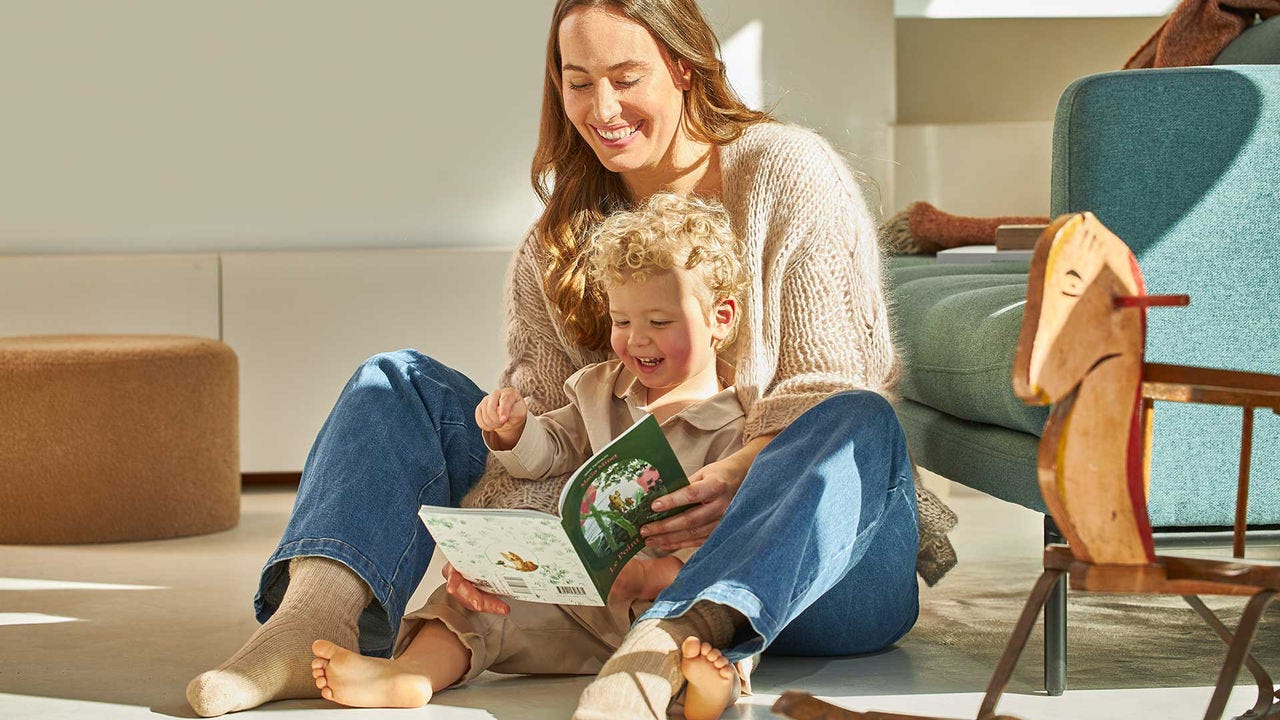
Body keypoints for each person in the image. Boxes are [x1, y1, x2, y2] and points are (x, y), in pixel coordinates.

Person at [184, 0, 958, 718]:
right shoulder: (557, 242)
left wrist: (742, 471)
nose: (603, 110)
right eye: (578, 83)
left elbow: (832, 378)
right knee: (395, 381)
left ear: (683, 68)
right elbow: (553, 454)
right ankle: (306, 624)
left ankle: (665, 643)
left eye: (627, 79)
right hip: (628, 574)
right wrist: (500, 555)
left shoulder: (786, 172)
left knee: (858, 417)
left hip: (824, 574)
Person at [307, 192, 751, 720]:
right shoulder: (601, 389)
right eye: (622, 321)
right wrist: (515, 433)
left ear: (720, 319)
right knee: (476, 603)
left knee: (705, 631)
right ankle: (413, 674)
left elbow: (741, 543)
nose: (636, 340)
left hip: (666, 600)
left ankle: (702, 692)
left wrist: (650, 578)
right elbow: (552, 450)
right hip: (583, 599)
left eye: (659, 321)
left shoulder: (740, 423)